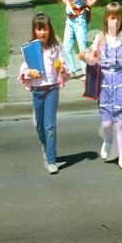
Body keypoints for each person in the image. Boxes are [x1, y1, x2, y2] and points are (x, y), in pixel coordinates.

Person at [80, 2, 122, 172]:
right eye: (112, 17)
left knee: (121, 123)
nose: (115, 21)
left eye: (118, 18)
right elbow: (92, 58)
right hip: (104, 83)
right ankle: (107, 140)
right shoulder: (100, 38)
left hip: (121, 81)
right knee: (107, 124)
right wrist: (85, 57)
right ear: (106, 19)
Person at [18, 12, 70, 174]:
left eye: (45, 29)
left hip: (52, 89)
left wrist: (62, 69)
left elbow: (63, 66)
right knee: (39, 125)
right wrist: (29, 73)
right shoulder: (31, 48)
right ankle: (46, 147)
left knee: (49, 126)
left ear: (50, 30)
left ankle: (51, 159)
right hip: (38, 91)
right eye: (39, 29)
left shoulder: (55, 48)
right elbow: (24, 68)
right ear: (34, 30)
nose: (42, 33)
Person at [57, 0, 104, 80]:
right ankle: (72, 71)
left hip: (79, 21)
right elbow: (67, 3)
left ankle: (85, 72)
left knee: (82, 47)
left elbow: (89, 4)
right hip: (69, 21)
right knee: (67, 46)